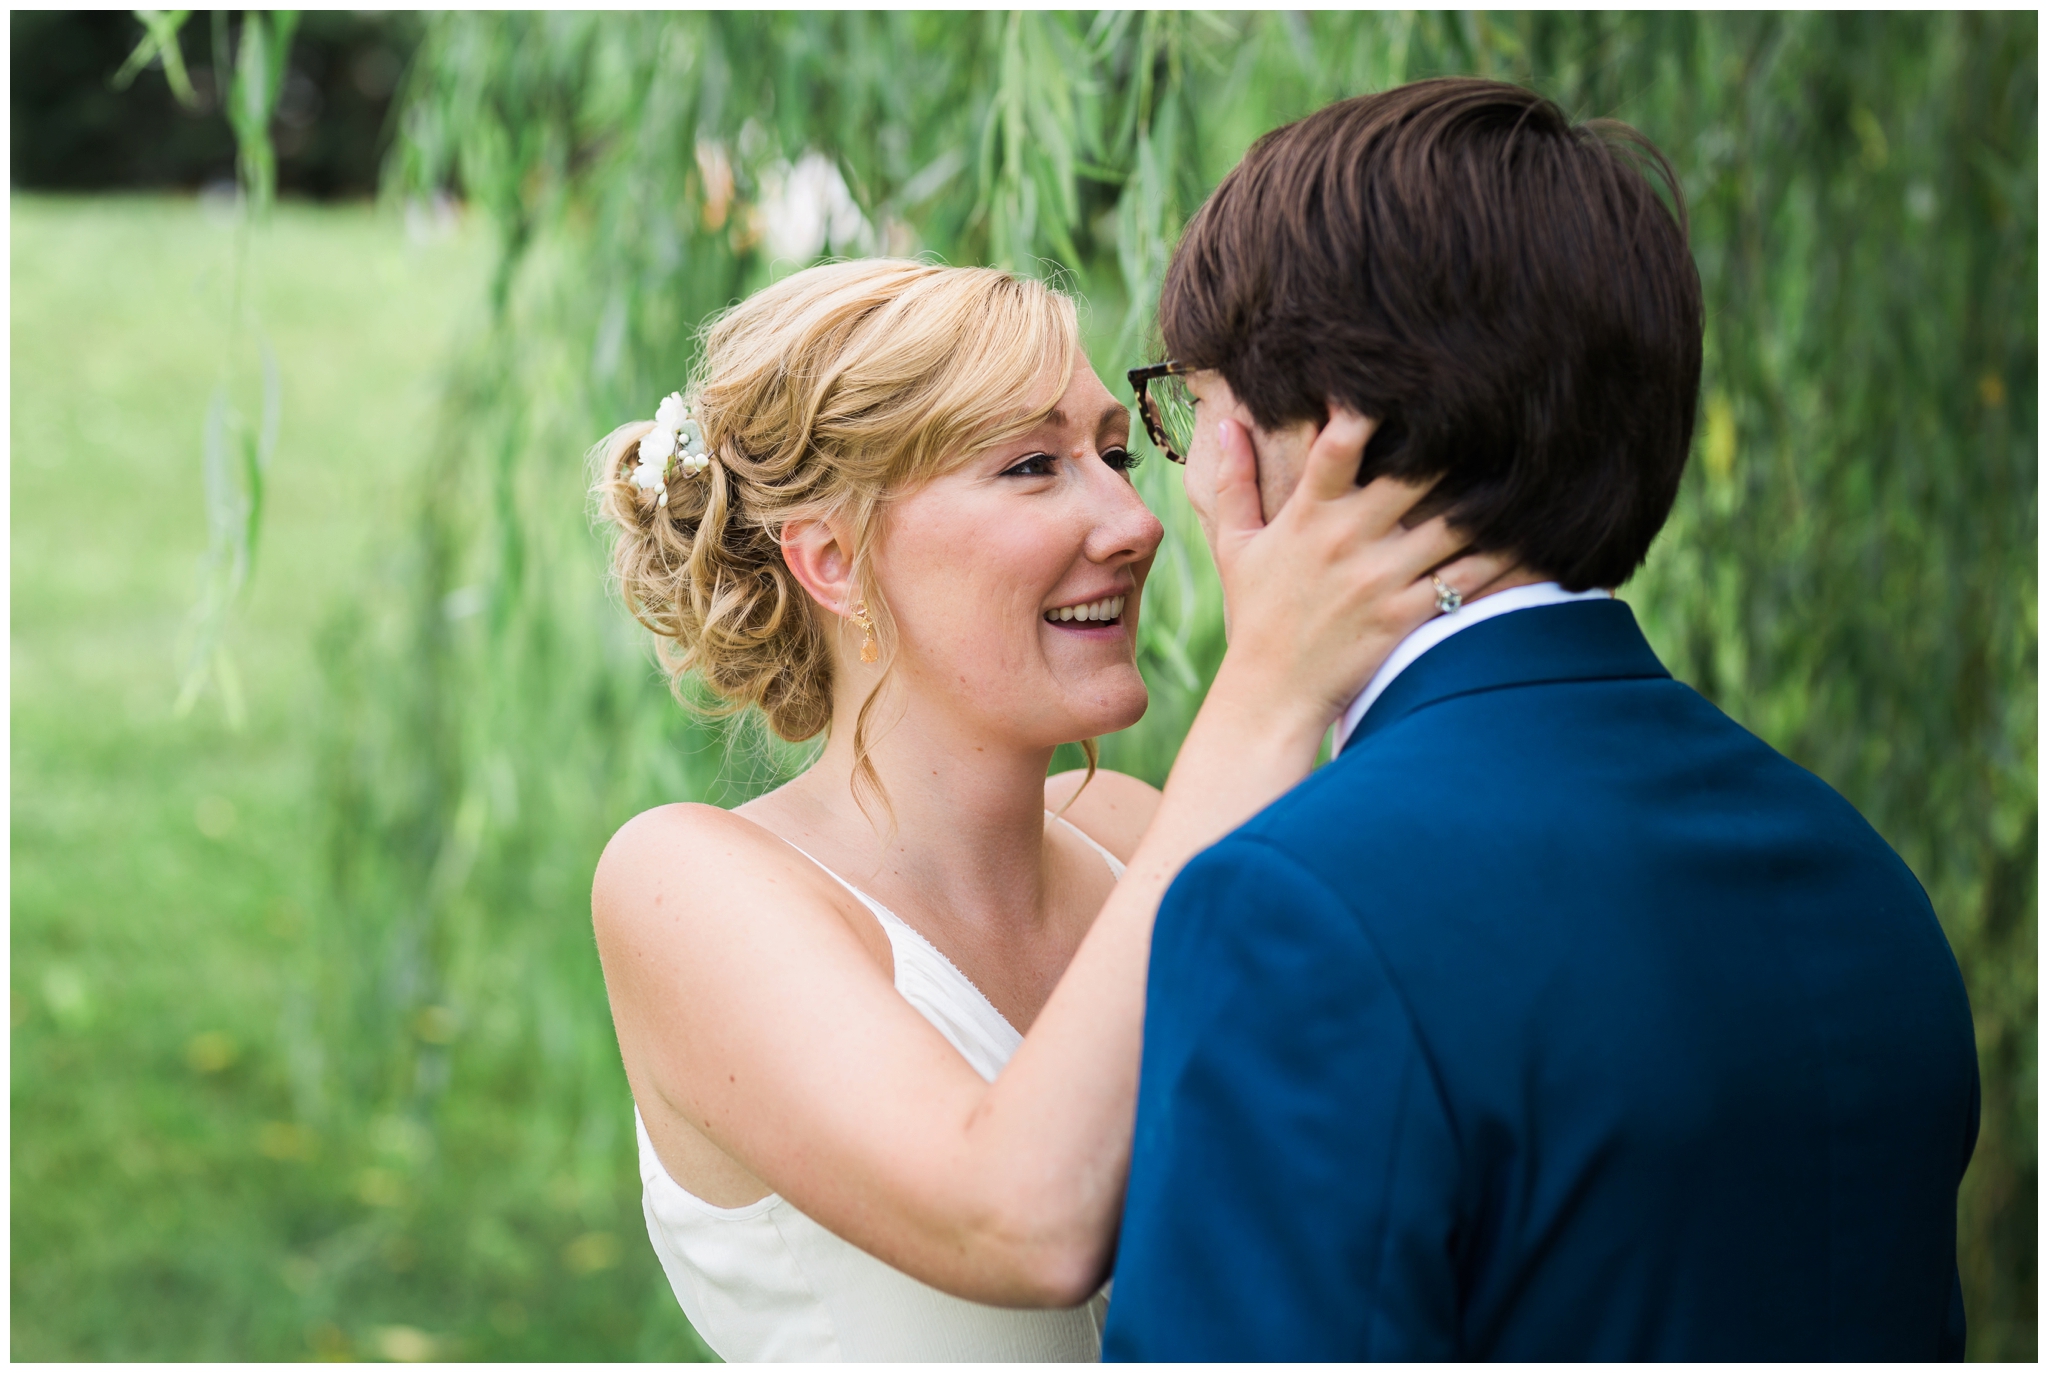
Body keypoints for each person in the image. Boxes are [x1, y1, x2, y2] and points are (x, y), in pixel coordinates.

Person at [1103, 77, 1981, 1361]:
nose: (1184, 481)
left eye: (1188, 412)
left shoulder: (1294, 911)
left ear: (1325, 437)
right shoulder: (1856, 873)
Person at [588, 258, 1507, 1360]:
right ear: (831, 558)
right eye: (1030, 465)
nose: (1133, 520)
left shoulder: (1128, 827)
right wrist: (1270, 685)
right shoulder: (687, 885)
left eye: (1116, 454)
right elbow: (1018, 1218)